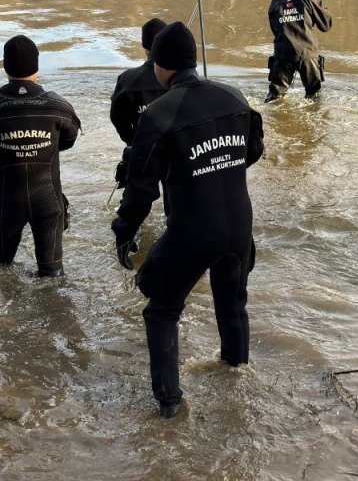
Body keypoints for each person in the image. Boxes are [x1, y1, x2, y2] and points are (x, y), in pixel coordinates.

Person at [111, 22, 265, 419]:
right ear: (193, 60)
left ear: (159, 65)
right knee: (232, 305)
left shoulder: (159, 113)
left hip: (195, 227)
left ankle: (169, 404)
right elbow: (252, 152)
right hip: (240, 225)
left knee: (161, 310)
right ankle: (237, 375)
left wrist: (123, 231)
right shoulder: (233, 95)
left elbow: (141, 189)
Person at [0, 35, 81, 276]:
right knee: (52, 276)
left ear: (5, 67)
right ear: (36, 65)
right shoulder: (60, 107)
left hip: (7, 202)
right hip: (49, 200)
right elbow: (67, 142)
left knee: (1, 269)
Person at [110, 18, 168, 189]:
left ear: (145, 47)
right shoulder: (178, 79)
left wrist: (132, 139)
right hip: (176, 151)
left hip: (141, 150)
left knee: (133, 207)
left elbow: (117, 117)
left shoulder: (127, 79)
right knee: (176, 208)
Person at [266, 0, 332, 102]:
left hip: (283, 54)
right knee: (315, 97)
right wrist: (322, 6)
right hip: (307, 54)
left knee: (275, 98)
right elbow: (326, 26)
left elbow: (274, 29)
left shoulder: (275, 3)